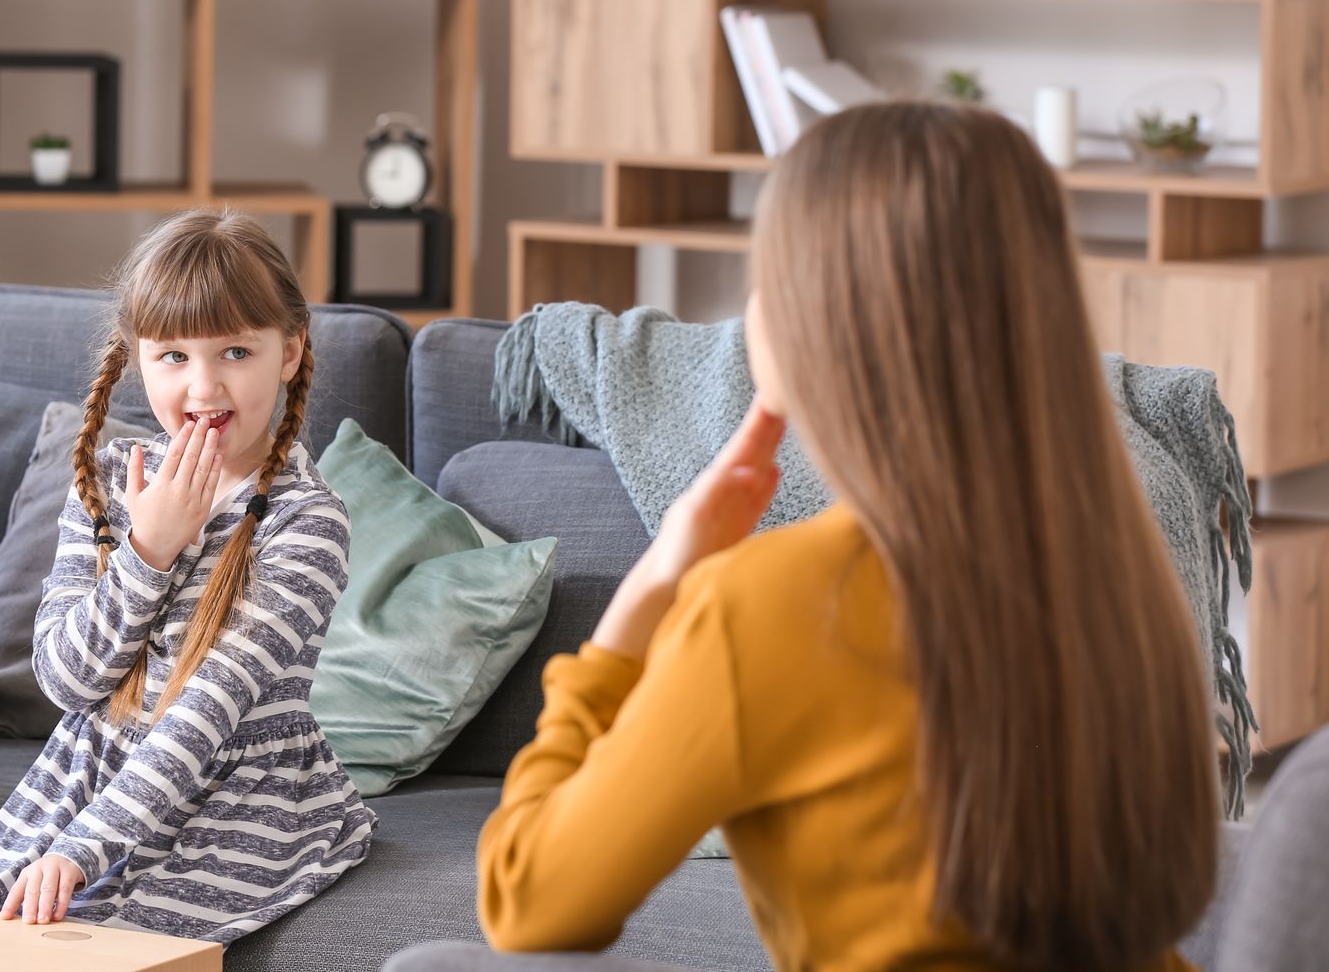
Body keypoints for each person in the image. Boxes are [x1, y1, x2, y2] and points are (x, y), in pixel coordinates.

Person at [477, 104, 1218, 970]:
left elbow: (528, 899)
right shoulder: (1127, 573)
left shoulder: (767, 605)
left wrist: (645, 598)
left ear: (815, 322)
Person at [0, 208, 375, 941]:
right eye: (173, 355)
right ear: (137, 357)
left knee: (104, 944)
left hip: (237, 800)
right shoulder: (106, 484)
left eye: (236, 351)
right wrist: (149, 552)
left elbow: (205, 714)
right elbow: (69, 682)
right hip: (89, 775)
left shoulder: (309, 524)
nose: (204, 389)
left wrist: (81, 851)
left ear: (290, 352)